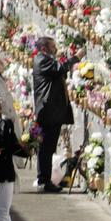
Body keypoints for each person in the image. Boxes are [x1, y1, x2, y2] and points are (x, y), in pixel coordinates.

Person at [30, 36, 72, 192]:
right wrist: (76, 58)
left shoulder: (45, 60)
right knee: (46, 148)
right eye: (53, 46)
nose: (55, 49)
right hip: (48, 113)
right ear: (44, 48)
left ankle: (44, 180)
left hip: (51, 112)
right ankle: (44, 181)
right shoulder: (42, 60)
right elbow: (61, 69)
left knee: (47, 148)